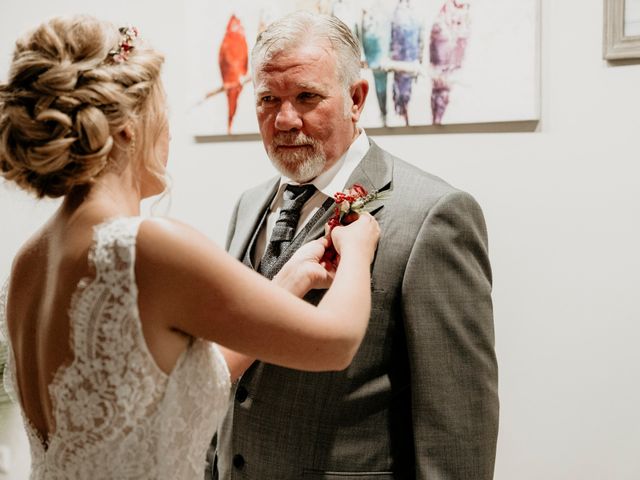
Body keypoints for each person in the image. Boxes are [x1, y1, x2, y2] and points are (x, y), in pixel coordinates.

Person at [0, 14, 380, 479]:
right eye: (162, 110)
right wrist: (358, 249)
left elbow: (169, 390)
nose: (170, 132)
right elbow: (335, 344)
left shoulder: (30, 260)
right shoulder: (147, 246)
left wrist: (289, 281)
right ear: (125, 127)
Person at [211, 10, 499, 480]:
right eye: (268, 99)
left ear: (357, 98)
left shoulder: (434, 216)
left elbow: (456, 423)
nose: (284, 119)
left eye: (307, 97)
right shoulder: (249, 206)